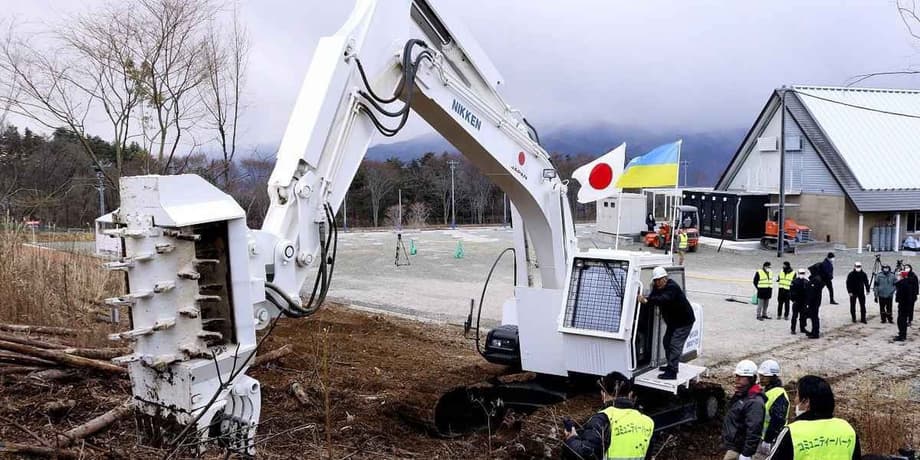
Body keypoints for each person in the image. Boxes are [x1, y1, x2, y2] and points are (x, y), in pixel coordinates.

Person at [563, 372, 654, 460]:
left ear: (603, 395)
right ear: (630, 395)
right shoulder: (647, 421)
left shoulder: (602, 418)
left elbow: (587, 454)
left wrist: (571, 439)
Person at [766, 375, 861, 459]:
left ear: (806, 401)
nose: (795, 400)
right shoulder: (847, 429)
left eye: (797, 396)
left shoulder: (793, 432)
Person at [638, 266, 696, 380]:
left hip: (684, 322)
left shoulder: (672, 287)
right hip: (673, 322)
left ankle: (672, 372)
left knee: (675, 345)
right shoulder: (656, 287)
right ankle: (671, 366)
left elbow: (664, 299)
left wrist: (646, 300)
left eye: (661, 280)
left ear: (666, 278)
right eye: (656, 280)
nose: (659, 282)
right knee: (666, 342)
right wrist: (648, 299)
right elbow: (654, 297)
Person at [722, 360, 766, 460]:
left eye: (741, 377)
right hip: (734, 446)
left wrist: (746, 454)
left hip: (739, 449)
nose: (737, 380)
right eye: (737, 376)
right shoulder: (743, 395)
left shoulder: (755, 403)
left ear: (751, 379)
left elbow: (754, 429)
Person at [755, 360, 788, 460]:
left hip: (770, 441)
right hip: (760, 437)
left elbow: (778, 419)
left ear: (773, 377)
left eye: (764, 376)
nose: (761, 378)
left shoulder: (778, 395)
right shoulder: (767, 390)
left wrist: (768, 440)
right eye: (760, 375)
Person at [894, 268, 919, 342]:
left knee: (901, 321)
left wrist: (898, 299)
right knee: (902, 320)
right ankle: (902, 334)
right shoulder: (905, 283)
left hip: (904, 305)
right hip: (904, 305)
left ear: (903, 276)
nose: (898, 276)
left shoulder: (904, 284)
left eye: (899, 275)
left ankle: (902, 336)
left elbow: (904, 296)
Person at [805, 265, 825, 339]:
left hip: (814, 302)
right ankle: (814, 331)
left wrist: (808, 302)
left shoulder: (815, 280)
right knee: (814, 317)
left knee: (814, 317)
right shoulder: (818, 279)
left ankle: (815, 332)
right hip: (816, 301)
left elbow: (812, 293)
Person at [789, 268, 809, 335]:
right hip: (796, 301)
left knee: (803, 316)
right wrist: (793, 300)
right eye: (801, 273)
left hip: (803, 302)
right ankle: (793, 329)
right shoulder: (794, 281)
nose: (802, 275)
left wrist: (807, 301)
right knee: (794, 316)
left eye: (803, 273)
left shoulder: (806, 282)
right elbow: (791, 292)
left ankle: (802, 328)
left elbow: (808, 292)